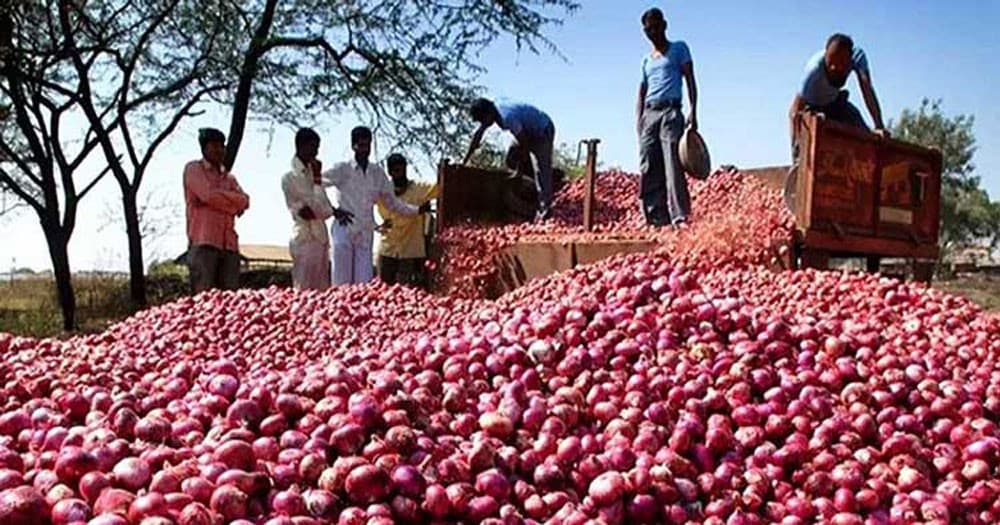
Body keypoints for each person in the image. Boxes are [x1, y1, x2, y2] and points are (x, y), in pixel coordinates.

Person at [321, 126, 431, 286]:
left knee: (363, 284)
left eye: (368, 145)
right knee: (341, 282)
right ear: (353, 146)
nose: (365, 150)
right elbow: (316, 183)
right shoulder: (342, 169)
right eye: (361, 145)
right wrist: (331, 210)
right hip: (345, 228)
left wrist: (417, 210)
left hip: (365, 231)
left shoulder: (377, 173)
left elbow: (393, 203)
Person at [637, 7, 698, 228]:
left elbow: (690, 79)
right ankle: (655, 217)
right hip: (650, 113)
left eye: (655, 26)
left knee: (673, 163)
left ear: (664, 25)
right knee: (648, 165)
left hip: (671, 111)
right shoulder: (646, 60)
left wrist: (694, 111)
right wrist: (640, 119)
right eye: (647, 29)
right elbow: (642, 92)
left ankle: (680, 216)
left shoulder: (679, 49)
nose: (652, 32)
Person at [462, 98, 556, 221]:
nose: (483, 124)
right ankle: (533, 185)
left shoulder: (507, 117)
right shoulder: (493, 110)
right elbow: (478, 135)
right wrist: (465, 160)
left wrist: (519, 169)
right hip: (526, 130)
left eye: (483, 120)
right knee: (512, 158)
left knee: (540, 169)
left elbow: (524, 143)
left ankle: (545, 209)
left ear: (489, 114)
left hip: (542, 129)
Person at [183, 128, 250, 293]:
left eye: (222, 146)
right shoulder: (193, 169)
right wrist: (232, 206)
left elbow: (245, 201)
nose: (219, 150)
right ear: (204, 148)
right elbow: (207, 195)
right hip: (204, 241)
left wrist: (217, 200)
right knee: (203, 297)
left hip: (229, 245)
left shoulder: (229, 177)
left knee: (229, 300)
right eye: (214, 146)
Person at [789, 33, 889, 140]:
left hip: (835, 103)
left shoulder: (857, 57)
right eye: (830, 62)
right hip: (812, 108)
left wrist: (879, 126)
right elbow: (794, 111)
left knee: (862, 131)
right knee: (816, 124)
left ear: (849, 60)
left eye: (840, 64)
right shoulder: (814, 70)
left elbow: (867, 90)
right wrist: (796, 146)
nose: (833, 67)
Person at [281, 128, 341, 290]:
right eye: (313, 147)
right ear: (301, 146)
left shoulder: (315, 176)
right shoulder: (289, 179)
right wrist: (316, 185)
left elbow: (326, 210)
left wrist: (316, 180)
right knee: (304, 289)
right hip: (304, 239)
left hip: (321, 238)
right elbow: (310, 212)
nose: (316, 152)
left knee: (322, 291)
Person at [376, 153, 440, 287]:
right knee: (383, 290)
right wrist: (417, 211)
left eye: (402, 169)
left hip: (411, 251)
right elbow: (396, 217)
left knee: (410, 293)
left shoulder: (418, 189)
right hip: (388, 249)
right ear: (390, 172)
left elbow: (439, 187)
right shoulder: (383, 192)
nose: (399, 174)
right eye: (395, 171)